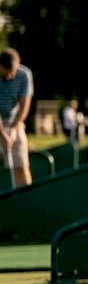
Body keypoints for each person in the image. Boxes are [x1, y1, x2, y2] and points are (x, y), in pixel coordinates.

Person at [0, 48, 34, 187]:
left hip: (16, 122)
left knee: (21, 163)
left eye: (13, 71)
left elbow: (24, 106)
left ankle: (26, 197)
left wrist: (13, 129)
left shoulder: (24, 74)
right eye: (7, 72)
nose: (11, 75)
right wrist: (3, 135)